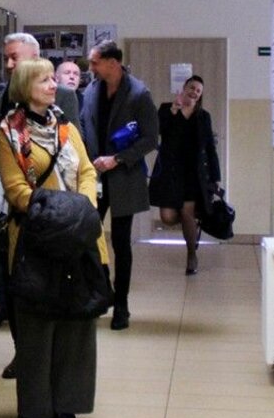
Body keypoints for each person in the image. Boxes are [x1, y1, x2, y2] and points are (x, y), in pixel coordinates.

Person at [0, 57, 102, 418]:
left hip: (76, 235)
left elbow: (86, 170)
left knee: (77, 321)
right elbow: (16, 189)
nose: (53, 85)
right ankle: (36, 408)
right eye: (43, 80)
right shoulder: (8, 133)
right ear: (25, 87)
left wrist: (83, 206)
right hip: (36, 236)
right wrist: (59, 212)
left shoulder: (66, 127)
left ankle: (67, 405)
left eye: (52, 80)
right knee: (37, 326)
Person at [0, 33, 80, 340]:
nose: (8, 64)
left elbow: (75, 147)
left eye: (14, 57)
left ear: (34, 57)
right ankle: (3, 303)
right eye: (6, 57)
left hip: (46, 193)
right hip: (2, 187)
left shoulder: (63, 96)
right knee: (3, 251)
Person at [78, 40, 157, 330]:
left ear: (112, 63)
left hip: (124, 176)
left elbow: (150, 139)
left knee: (121, 243)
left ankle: (121, 305)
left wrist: (118, 159)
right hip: (94, 176)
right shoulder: (91, 90)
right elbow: (83, 126)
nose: (91, 68)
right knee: (87, 236)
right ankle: (102, 292)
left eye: (95, 62)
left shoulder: (138, 93)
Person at [147, 75, 223, 275]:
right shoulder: (166, 109)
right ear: (184, 88)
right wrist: (174, 110)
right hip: (170, 172)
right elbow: (158, 131)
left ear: (200, 95)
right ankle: (192, 224)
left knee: (187, 211)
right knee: (168, 217)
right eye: (192, 88)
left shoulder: (203, 116)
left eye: (198, 91)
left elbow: (210, 148)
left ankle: (191, 255)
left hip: (193, 174)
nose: (194, 92)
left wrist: (216, 177)